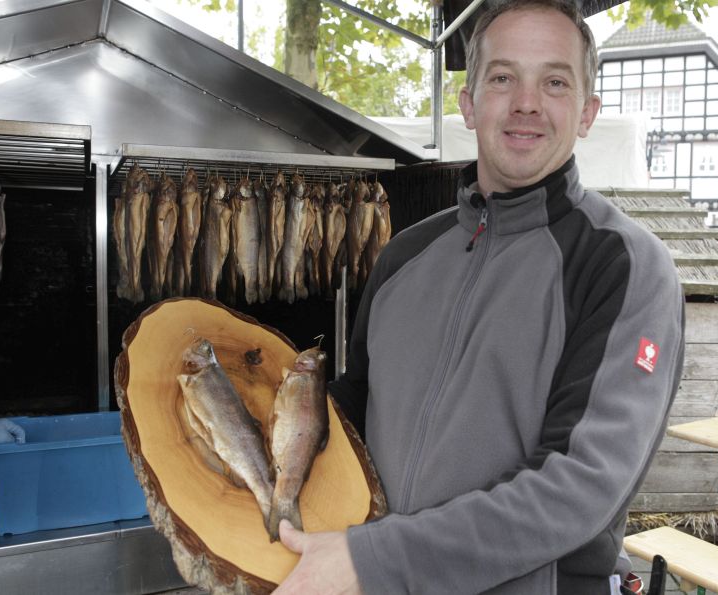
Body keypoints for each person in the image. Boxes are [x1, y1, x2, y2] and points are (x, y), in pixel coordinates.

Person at [272, 1, 685, 593]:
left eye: (555, 82)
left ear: (587, 112)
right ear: (468, 104)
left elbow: (580, 486)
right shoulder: (404, 255)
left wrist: (374, 560)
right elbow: (352, 412)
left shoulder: (622, 266)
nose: (526, 102)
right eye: (502, 78)